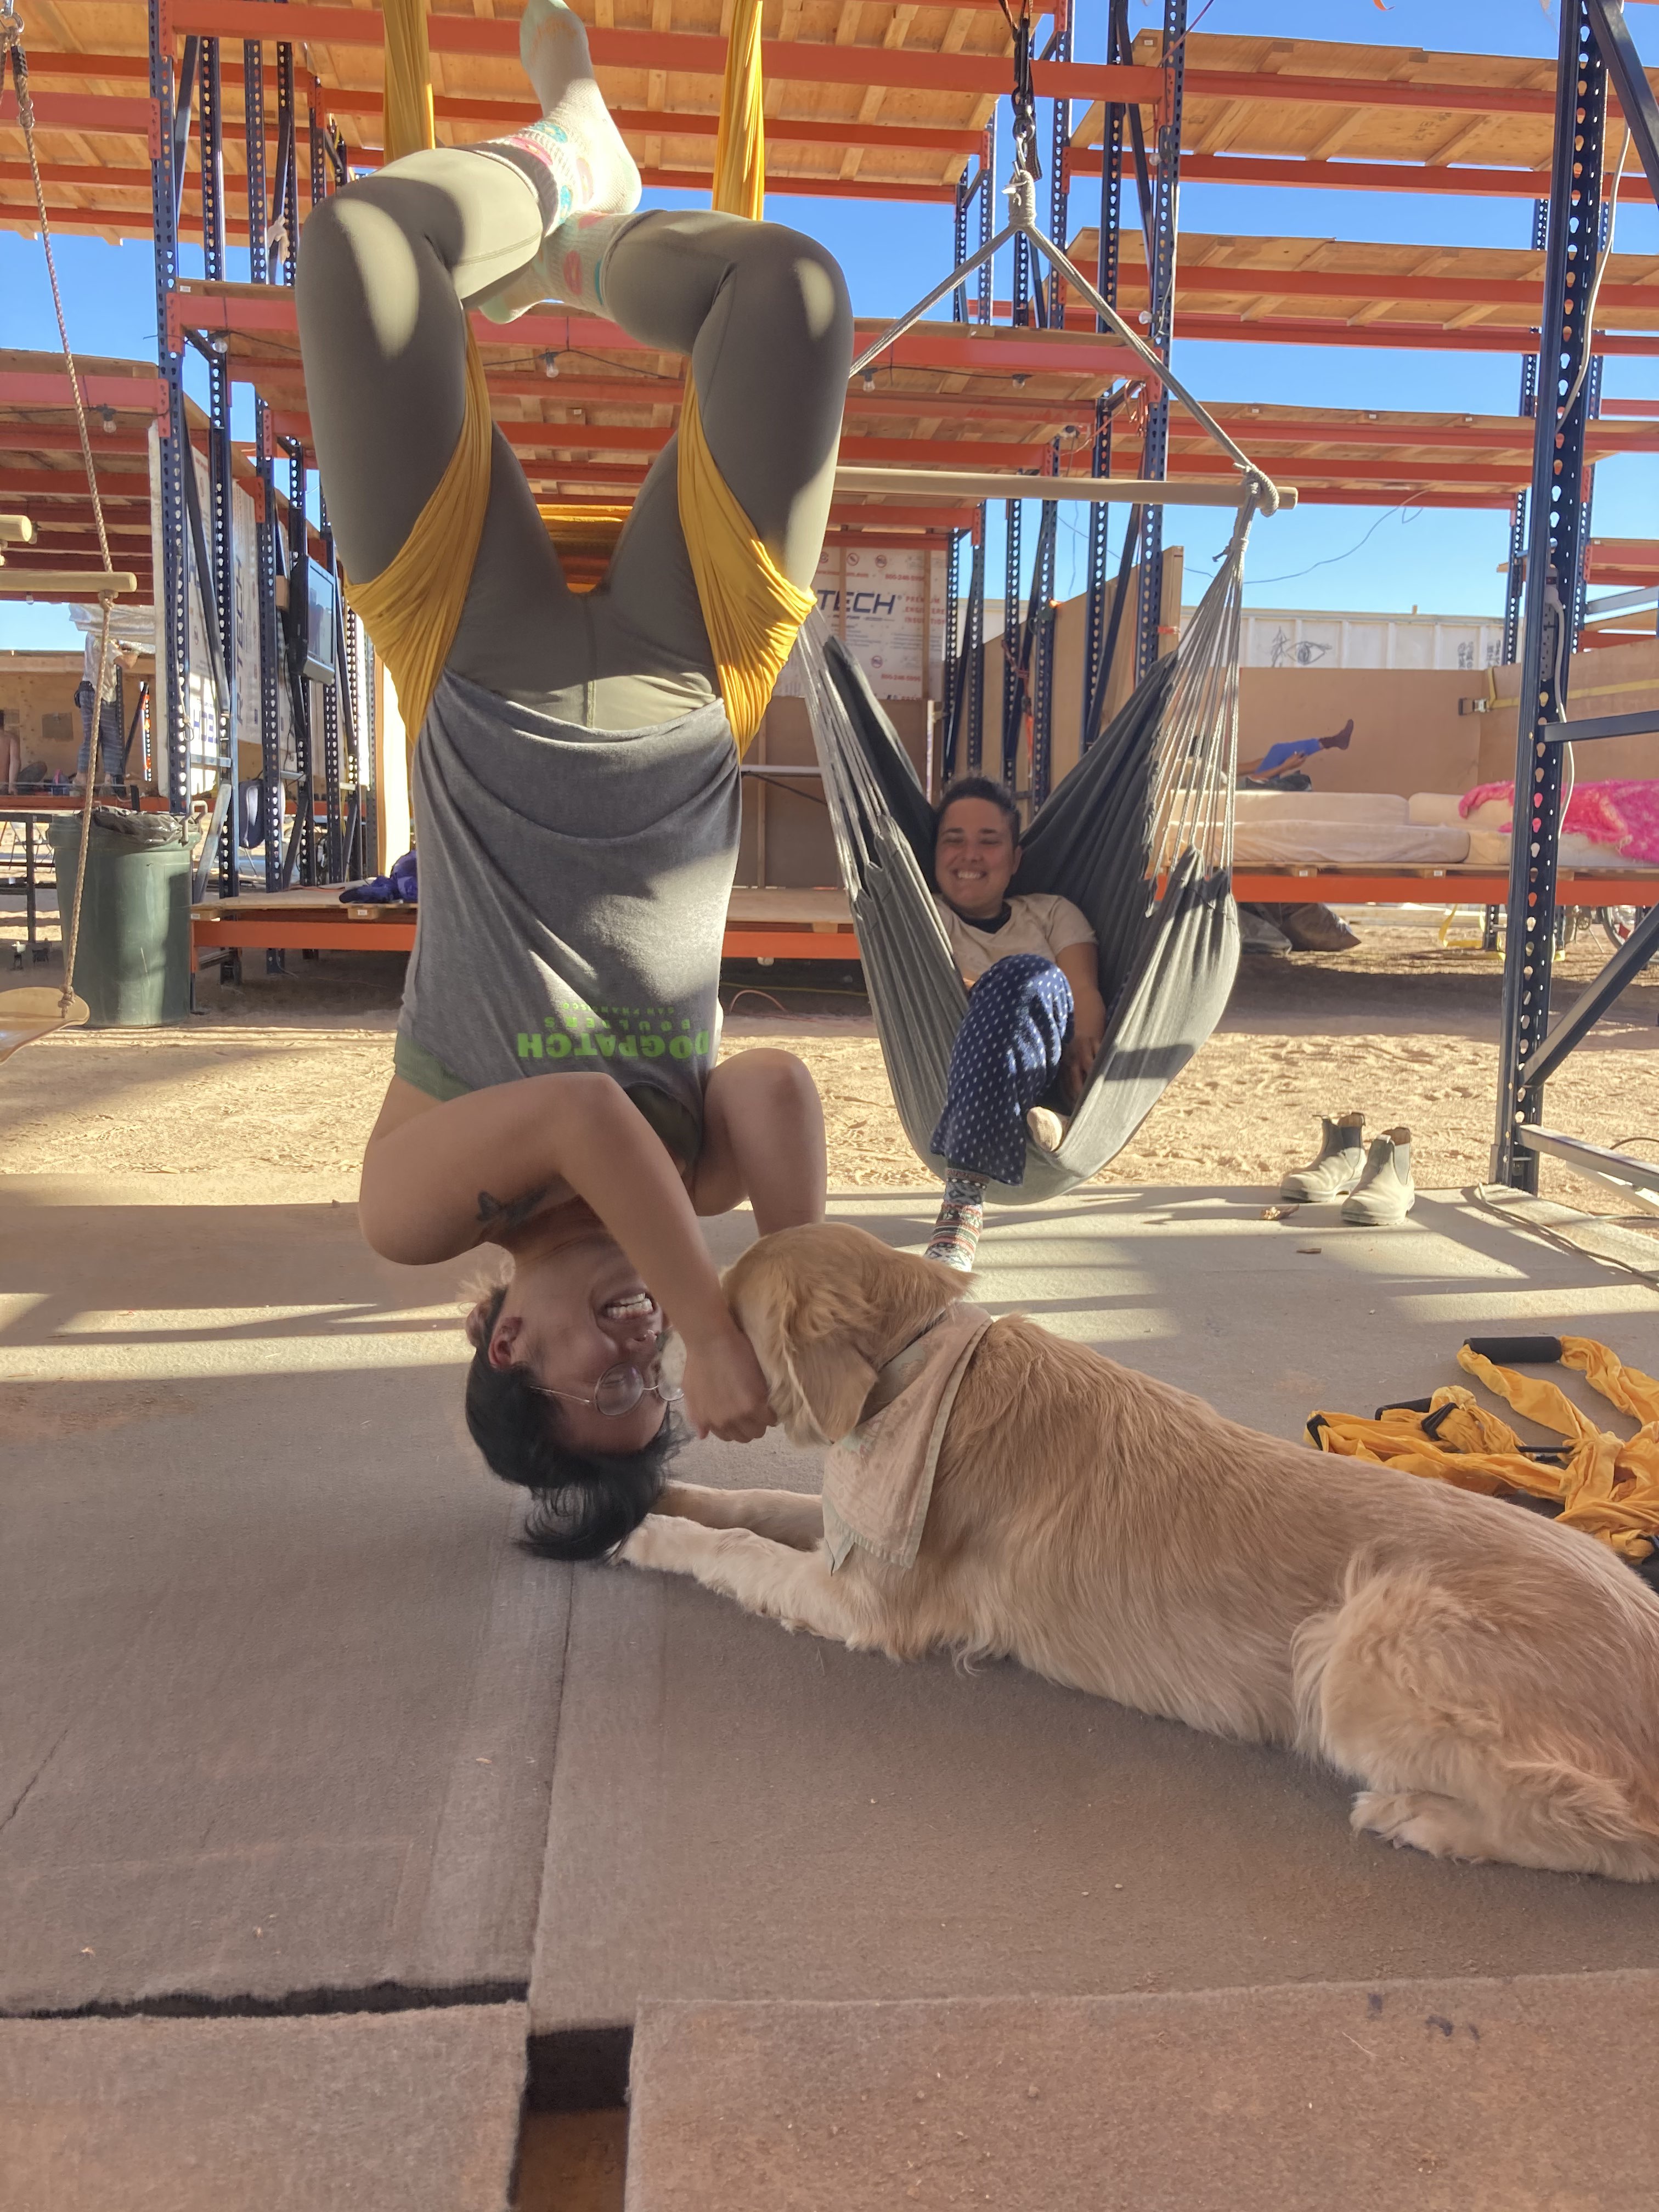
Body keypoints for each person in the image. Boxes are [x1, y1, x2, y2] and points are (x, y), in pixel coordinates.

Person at [296, 0, 851, 1553]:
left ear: (507, 1348)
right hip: (696, 678)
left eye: (600, 1375)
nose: (641, 1346)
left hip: (474, 666)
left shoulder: (415, 1214)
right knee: (791, 292)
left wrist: (719, 1328)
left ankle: (562, 167)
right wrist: (803, 1298)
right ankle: (600, 260)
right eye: (651, 1376)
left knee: (363, 249)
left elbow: (583, 1113)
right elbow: (774, 1086)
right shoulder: (693, 1185)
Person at [921, 776, 1107, 1272]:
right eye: (954, 840)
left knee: (1029, 976)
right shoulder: (923, 918)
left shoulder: (1053, 913)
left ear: (1015, 858)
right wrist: (1001, 987)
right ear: (935, 853)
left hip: (1054, 1058)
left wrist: (1087, 1046)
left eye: (989, 841)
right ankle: (1035, 1133)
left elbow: (1084, 990)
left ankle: (964, 1207)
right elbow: (938, 995)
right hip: (960, 1064)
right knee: (1018, 975)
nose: (970, 855)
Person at [73, 636, 141, 791]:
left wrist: (120, 649)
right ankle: (110, 781)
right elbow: (127, 664)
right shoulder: (104, 639)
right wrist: (137, 650)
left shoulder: (91, 635)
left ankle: (81, 778)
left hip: (85, 690)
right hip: (101, 694)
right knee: (111, 738)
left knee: (91, 738)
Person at [1238, 716, 1353, 789]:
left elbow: (1255, 766)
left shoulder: (1228, 766)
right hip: (1242, 792)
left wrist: (1287, 760)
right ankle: (1331, 741)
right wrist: (1284, 767)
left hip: (1251, 783)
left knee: (1277, 750)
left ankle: (1332, 741)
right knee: (1277, 753)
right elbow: (1253, 780)